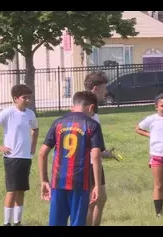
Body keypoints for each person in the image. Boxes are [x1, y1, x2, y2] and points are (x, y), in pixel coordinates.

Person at [38, 91, 105, 226]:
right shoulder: (92, 125)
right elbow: (96, 155)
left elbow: (42, 153)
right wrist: (97, 185)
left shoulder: (58, 123)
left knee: (56, 222)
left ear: (74, 105)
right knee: (77, 222)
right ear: (91, 107)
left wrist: (44, 180)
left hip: (58, 181)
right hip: (80, 182)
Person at [0, 84, 39, 226]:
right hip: (12, 158)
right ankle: (6, 223)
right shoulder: (8, 113)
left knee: (21, 189)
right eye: (24, 97)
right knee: (12, 190)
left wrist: (32, 146)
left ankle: (17, 222)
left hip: (25, 157)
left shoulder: (30, 114)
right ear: (15, 98)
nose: (27, 100)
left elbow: (35, 130)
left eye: (29, 98)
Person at [83, 71, 113, 226]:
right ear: (95, 89)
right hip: (88, 163)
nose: (106, 92)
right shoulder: (88, 113)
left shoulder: (93, 112)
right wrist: (100, 153)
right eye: (104, 88)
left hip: (94, 160)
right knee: (93, 201)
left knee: (100, 199)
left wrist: (104, 152)